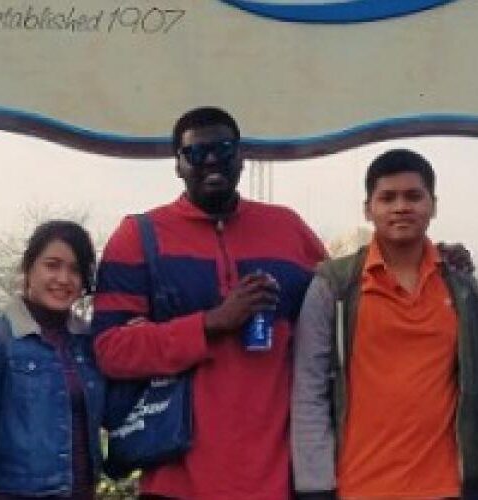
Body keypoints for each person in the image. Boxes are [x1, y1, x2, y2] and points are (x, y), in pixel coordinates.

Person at [92, 106, 327, 500]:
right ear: (179, 165)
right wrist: (209, 324)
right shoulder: (137, 237)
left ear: (242, 157)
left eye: (223, 148)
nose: (212, 159)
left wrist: (425, 256)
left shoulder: (289, 229)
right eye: (196, 153)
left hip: (275, 482)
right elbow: (110, 350)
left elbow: (351, 300)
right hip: (175, 482)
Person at [292, 149, 478, 500]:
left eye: (413, 196)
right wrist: (315, 487)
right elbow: (309, 391)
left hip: (446, 488)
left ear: (433, 205)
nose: (401, 207)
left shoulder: (461, 287)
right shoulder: (335, 285)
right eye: (387, 197)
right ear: (368, 208)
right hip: (358, 487)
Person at [0, 220, 105, 500]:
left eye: (74, 269)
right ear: (28, 269)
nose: (63, 278)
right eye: (52, 265)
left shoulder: (87, 344)